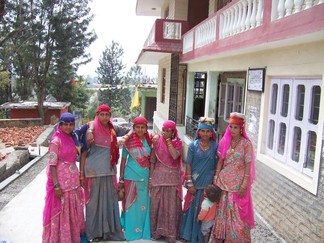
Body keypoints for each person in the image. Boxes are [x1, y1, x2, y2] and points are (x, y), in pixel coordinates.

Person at [79, 104, 126, 242]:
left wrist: (125, 138)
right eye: (102, 114)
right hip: (93, 172)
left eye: (107, 115)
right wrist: (81, 174)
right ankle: (94, 233)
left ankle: (109, 232)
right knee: (93, 204)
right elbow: (83, 154)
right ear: (97, 115)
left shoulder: (112, 129)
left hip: (109, 171)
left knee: (110, 203)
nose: (104, 117)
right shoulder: (90, 129)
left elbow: (131, 130)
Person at [211, 112, 256, 242]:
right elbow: (220, 161)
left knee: (238, 217)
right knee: (222, 213)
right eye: (231, 126)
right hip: (223, 183)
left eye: (236, 127)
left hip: (237, 186)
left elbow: (248, 165)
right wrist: (216, 177)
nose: (232, 130)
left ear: (241, 128)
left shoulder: (246, 144)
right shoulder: (225, 141)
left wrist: (244, 184)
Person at [42, 112, 86, 243]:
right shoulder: (56, 141)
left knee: (73, 208)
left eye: (71, 124)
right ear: (60, 125)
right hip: (61, 182)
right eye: (65, 124)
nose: (68, 127)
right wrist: (56, 185)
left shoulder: (74, 138)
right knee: (62, 210)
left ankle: (73, 237)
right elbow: (52, 164)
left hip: (73, 180)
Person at [180, 117, 218, 243]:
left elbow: (219, 163)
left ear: (211, 133)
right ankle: (189, 235)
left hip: (209, 184)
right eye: (203, 131)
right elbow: (188, 165)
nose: (205, 134)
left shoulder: (215, 147)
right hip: (195, 183)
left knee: (208, 210)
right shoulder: (192, 146)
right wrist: (189, 183)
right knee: (193, 208)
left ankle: (204, 237)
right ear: (199, 132)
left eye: (208, 131)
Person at [118, 116, 152, 241]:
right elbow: (123, 161)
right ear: (134, 128)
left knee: (144, 205)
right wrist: (121, 178)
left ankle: (143, 231)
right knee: (130, 204)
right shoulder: (129, 142)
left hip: (145, 176)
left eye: (142, 127)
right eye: (137, 127)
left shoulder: (150, 141)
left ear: (146, 128)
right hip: (130, 176)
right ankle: (130, 231)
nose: (140, 129)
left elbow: (152, 161)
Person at [149, 120, 183, 243]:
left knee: (171, 206)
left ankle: (171, 234)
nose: (166, 132)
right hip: (158, 177)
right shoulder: (156, 141)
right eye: (164, 130)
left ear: (174, 132)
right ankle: (157, 232)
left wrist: (169, 142)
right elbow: (152, 160)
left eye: (169, 130)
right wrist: (151, 178)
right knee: (156, 204)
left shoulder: (178, 143)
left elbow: (174, 156)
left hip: (172, 179)